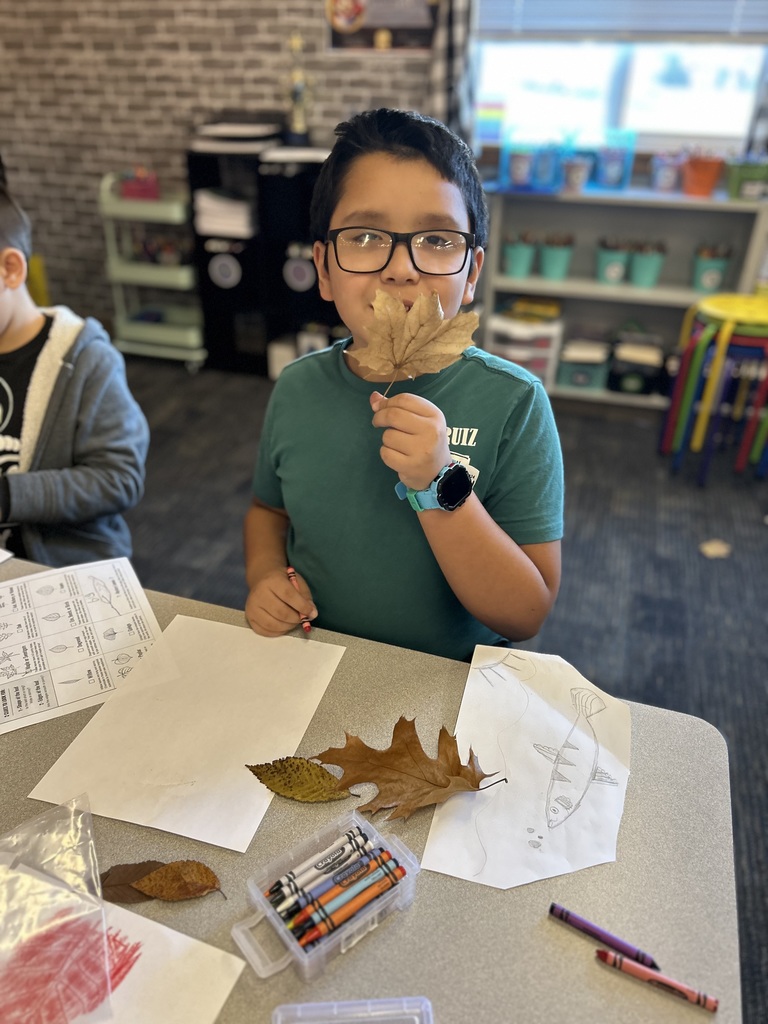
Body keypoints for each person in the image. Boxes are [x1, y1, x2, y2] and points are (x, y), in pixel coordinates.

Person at [244, 108, 563, 661]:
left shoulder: (515, 403)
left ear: (471, 273)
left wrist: (440, 483)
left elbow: (525, 613)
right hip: (315, 657)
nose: (401, 269)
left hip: (448, 684)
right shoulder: (296, 388)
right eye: (365, 236)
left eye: (438, 240)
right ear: (323, 267)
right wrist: (267, 573)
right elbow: (268, 512)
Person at [0, 184, 149, 566]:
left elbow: (118, 479)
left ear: (10, 269)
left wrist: (9, 496)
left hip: (59, 572)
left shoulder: (88, 361)